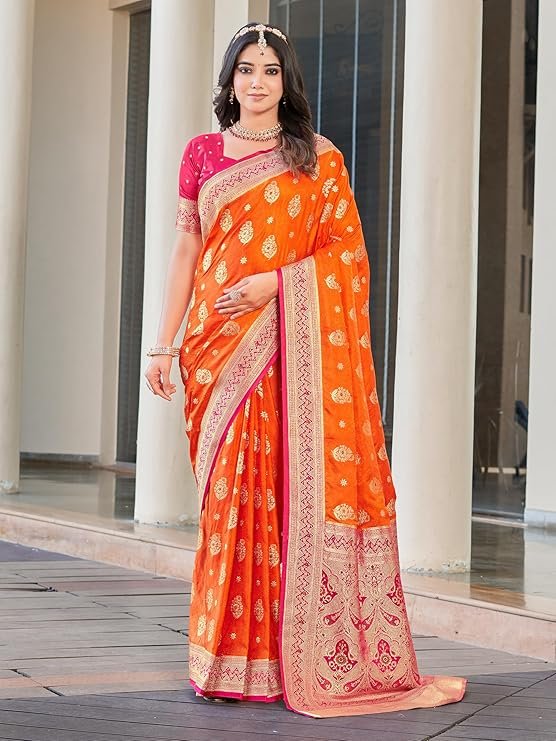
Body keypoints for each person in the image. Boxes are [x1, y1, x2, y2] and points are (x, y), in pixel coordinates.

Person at [144, 22, 466, 718]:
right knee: (228, 502)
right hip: (215, 347)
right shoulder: (201, 153)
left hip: (286, 350)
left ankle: (278, 662)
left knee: (280, 499)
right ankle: (225, 659)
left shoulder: (318, 158)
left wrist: (275, 284)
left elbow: (347, 256)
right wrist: (161, 345)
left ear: (287, 82)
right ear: (229, 80)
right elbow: (185, 251)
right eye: (246, 69)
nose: (258, 82)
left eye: (270, 70)